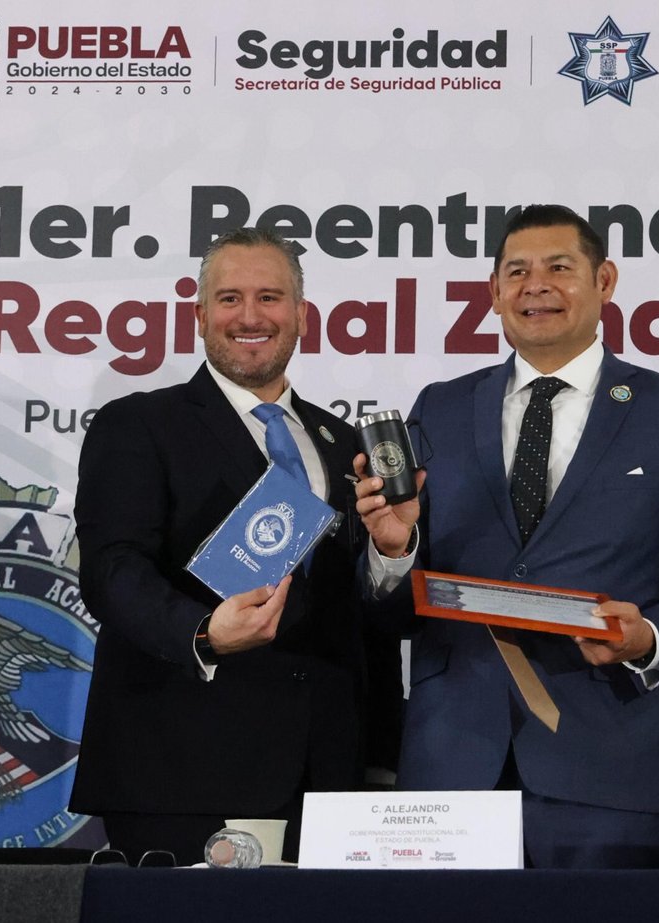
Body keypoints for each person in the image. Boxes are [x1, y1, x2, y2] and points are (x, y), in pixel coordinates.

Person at [357, 204, 659, 869]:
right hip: (452, 766)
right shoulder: (439, 408)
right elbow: (392, 611)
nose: (535, 285)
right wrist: (394, 551)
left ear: (604, 280)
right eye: (517, 272)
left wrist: (648, 637)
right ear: (494, 292)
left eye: (559, 267)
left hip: (609, 765)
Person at [70, 226, 398, 864]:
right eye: (230, 299)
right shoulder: (138, 424)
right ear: (199, 316)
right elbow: (112, 571)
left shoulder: (342, 442)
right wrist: (202, 633)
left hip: (328, 774)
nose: (250, 316)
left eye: (270, 297)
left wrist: (392, 553)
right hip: (180, 769)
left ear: (301, 315)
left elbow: (359, 612)